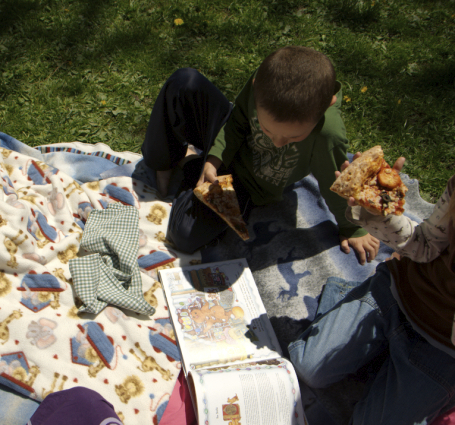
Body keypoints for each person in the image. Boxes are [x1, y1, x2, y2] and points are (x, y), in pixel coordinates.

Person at [141, 46, 379, 263]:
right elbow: (236, 122)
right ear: (256, 86)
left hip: (248, 183)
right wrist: (214, 159)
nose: (277, 143)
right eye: (266, 130)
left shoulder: (328, 135)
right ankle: (166, 161)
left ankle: (191, 162)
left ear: (328, 104)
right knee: (185, 80)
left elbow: (335, 181)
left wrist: (351, 228)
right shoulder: (264, 86)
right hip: (230, 142)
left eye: (292, 138)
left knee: (184, 235)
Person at [288, 157, 455, 424]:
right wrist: (381, 215)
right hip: (398, 292)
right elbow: (425, 243)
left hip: (442, 347)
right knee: (309, 367)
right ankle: (353, 298)